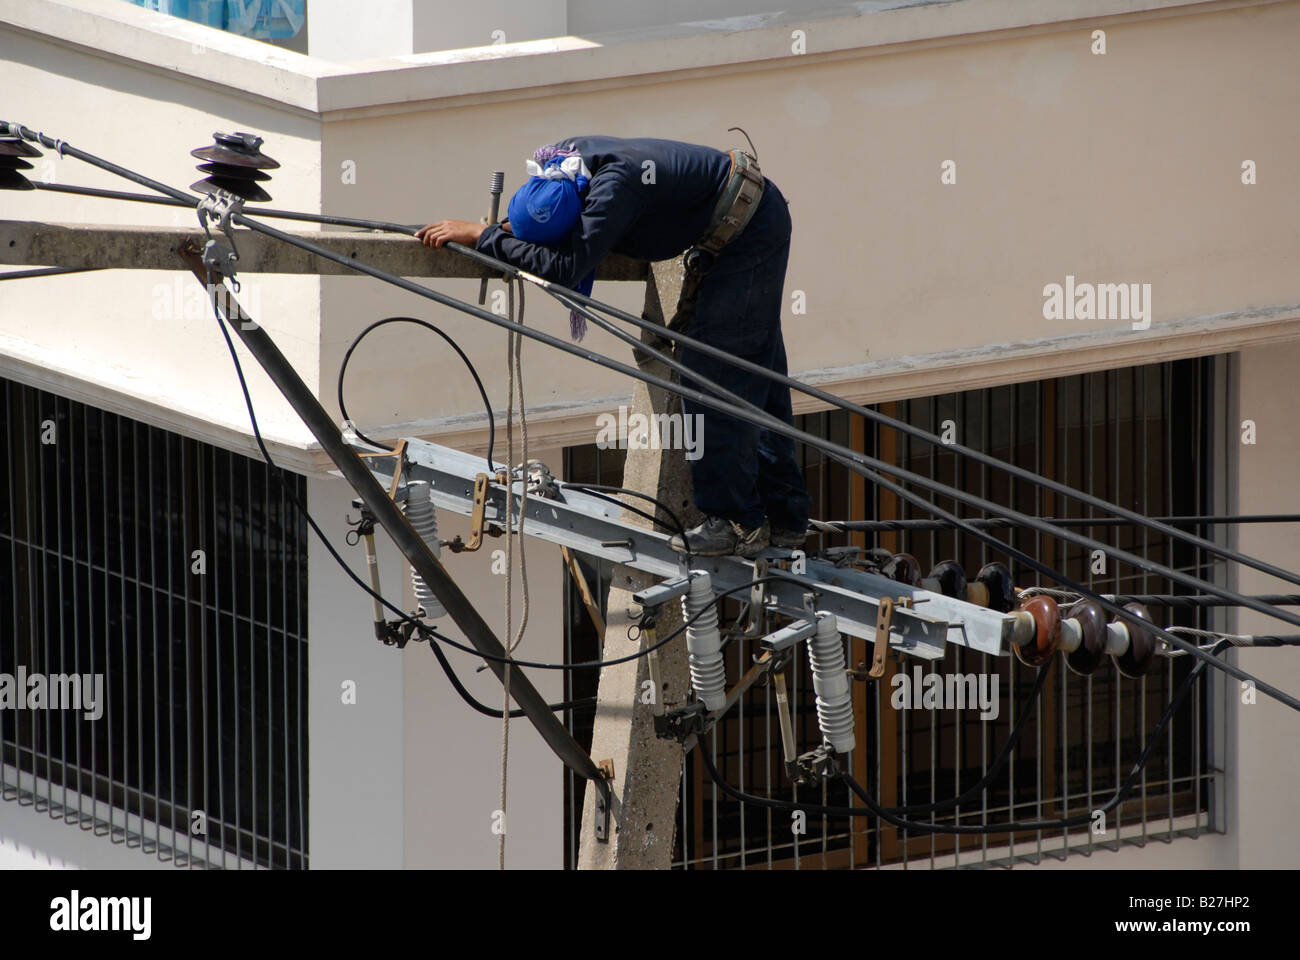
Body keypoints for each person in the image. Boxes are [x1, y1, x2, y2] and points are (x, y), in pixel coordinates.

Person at [417, 136, 810, 558]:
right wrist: (511, 232)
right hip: (744, 219)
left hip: (747, 231)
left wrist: (485, 237)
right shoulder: (565, 164)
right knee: (757, 371)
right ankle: (786, 520)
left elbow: (567, 267)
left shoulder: (615, 187)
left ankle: (739, 523)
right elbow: (551, 231)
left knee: (711, 377)